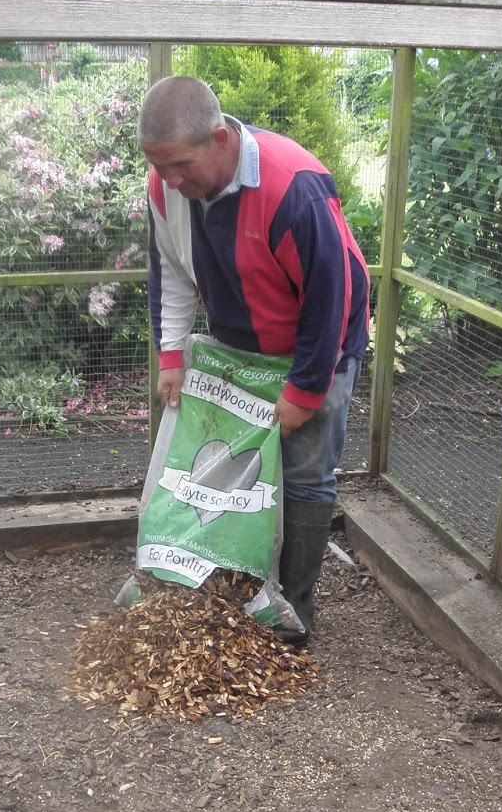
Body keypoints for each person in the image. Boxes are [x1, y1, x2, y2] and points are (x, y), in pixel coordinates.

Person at [137, 75, 370, 644]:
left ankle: (292, 613)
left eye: (180, 164)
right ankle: (239, 591)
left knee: (304, 472)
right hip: (243, 346)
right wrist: (172, 353)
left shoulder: (293, 188)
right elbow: (169, 269)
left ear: (220, 140)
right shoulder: (168, 187)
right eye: (158, 166)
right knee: (241, 469)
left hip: (317, 347)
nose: (170, 179)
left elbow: (330, 297)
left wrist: (304, 392)